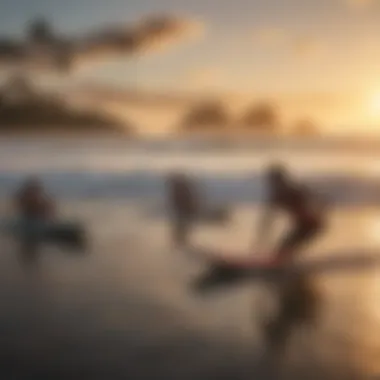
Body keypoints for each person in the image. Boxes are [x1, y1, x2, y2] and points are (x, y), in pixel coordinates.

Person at [256, 163, 327, 263]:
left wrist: (318, 212)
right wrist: (258, 243)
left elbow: (320, 199)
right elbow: (267, 219)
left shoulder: (294, 190)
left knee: (287, 248)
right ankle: (287, 263)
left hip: (311, 224)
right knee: (283, 249)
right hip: (301, 225)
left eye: (273, 179)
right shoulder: (277, 195)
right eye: (271, 180)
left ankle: (289, 265)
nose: (271, 183)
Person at [166, 172, 199, 247]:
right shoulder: (181, 188)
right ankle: (179, 241)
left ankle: (179, 241)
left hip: (184, 210)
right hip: (184, 210)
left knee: (182, 225)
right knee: (182, 225)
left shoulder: (178, 188)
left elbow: (177, 200)